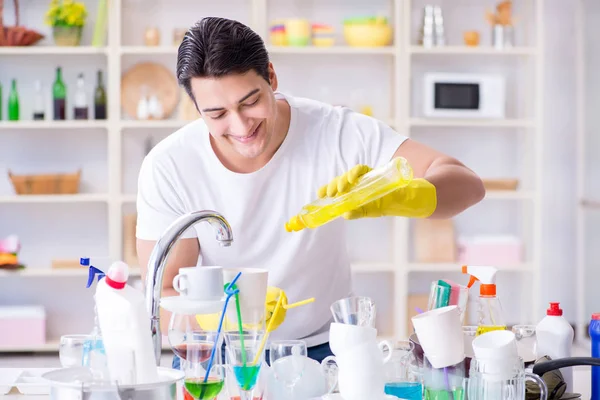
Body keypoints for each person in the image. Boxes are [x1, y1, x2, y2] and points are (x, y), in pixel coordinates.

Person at [135, 17, 486, 369]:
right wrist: (226, 319)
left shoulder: (335, 132)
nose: (241, 126)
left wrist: (406, 195)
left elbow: (468, 184)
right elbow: (163, 296)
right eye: (217, 114)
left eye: (250, 101)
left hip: (324, 351)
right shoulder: (170, 165)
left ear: (271, 76)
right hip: (219, 354)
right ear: (196, 108)